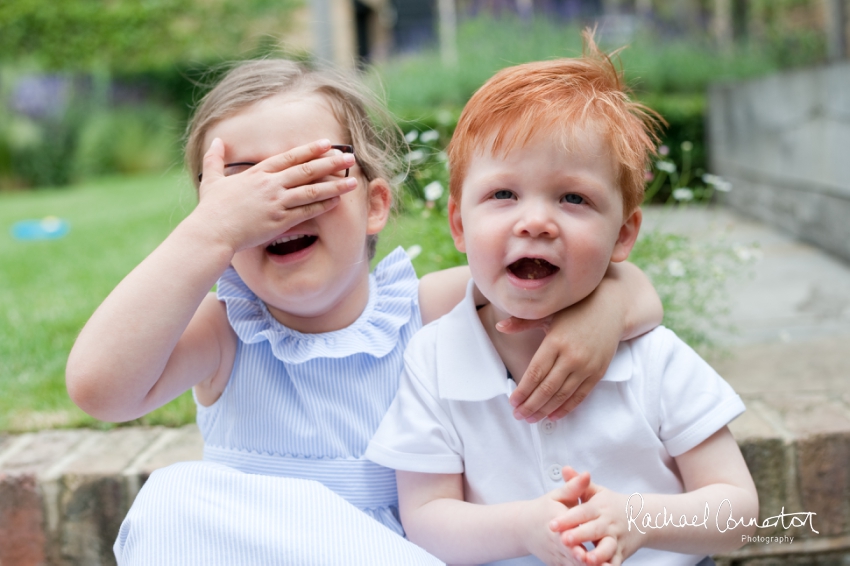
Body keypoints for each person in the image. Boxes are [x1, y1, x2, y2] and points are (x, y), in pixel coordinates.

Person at [65, 59, 662, 564]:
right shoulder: (224, 336)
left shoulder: (423, 307)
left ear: (375, 205)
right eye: (246, 189)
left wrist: (603, 310)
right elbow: (100, 390)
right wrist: (209, 233)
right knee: (173, 497)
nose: (281, 207)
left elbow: (625, 286)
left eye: (314, 175)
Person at [365, 33, 759, 566]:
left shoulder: (653, 359)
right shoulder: (434, 359)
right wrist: (526, 528)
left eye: (573, 198)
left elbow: (736, 512)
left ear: (623, 234)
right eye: (503, 194)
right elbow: (428, 520)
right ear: (459, 223)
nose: (534, 222)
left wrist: (638, 518)